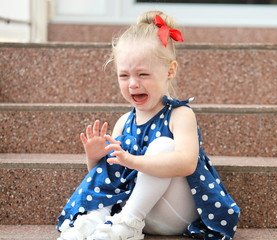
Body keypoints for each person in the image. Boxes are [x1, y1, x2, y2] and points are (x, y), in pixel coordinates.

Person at [57, 10, 240, 240]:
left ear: (170, 71)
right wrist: (94, 158)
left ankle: (128, 223)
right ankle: (92, 221)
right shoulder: (124, 122)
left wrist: (133, 161)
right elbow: (109, 179)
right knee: (114, 158)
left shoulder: (180, 114)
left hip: (174, 213)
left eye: (143, 74)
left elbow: (186, 163)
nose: (133, 84)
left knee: (163, 145)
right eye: (124, 76)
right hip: (135, 212)